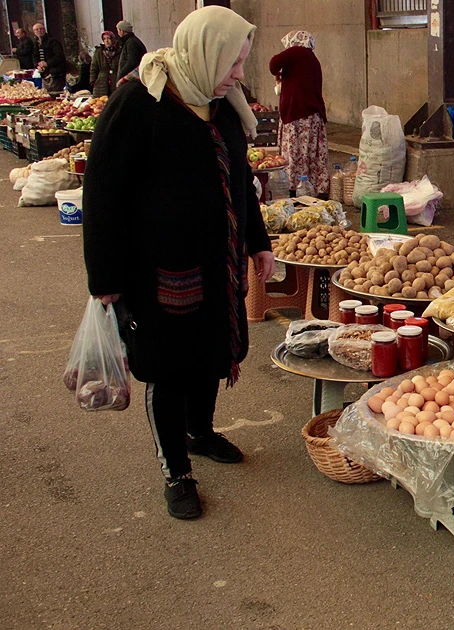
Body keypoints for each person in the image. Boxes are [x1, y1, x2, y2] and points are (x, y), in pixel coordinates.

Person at [82, 6, 275, 520]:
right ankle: (176, 469)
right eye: (232, 63)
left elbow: (241, 185)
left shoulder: (225, 107)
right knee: (168, 367)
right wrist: (105, 279)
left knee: (212, 352)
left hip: (219, 263)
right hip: (160, 270)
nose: (239, 75)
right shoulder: (138, 103)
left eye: (241, 62)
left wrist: (258, 243)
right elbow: (102, 195)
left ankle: (201, 431)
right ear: (203, 52)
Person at [268, 30, 328, 196]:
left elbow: (273, 64)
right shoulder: (311, 58)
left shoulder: (296, 52)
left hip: (297, 112)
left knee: (296, 151)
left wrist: (278, 73)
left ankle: (294, 187)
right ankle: (317, 187)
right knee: (311, 152)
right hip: (313, 113)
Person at [31, 23, 66, 92]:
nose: (39, 31)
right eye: (36, 29)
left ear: (44, 30)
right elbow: (34, 56)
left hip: (56, 73)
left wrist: (47, 63)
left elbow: (59, 56)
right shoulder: (35, 43)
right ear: (34, 32)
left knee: (56, 92)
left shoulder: (53, 41)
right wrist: (37, 65)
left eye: (41, 29)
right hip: (44, 73)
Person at [114, 20, 146, 86]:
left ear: (121, 31)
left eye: (118, 30)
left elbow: (132, 62)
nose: (117, 33)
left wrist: (121, 74)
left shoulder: (131, 42)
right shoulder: (130, 41)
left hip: (132, 79)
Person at [90, 31, 119, 97]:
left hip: (115, 80)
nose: (106, 41)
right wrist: (93, 81)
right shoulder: (99, 52)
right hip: (101, 82)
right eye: (104, 39)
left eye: (108, 38)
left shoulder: (119, 51)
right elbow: (94, 67)